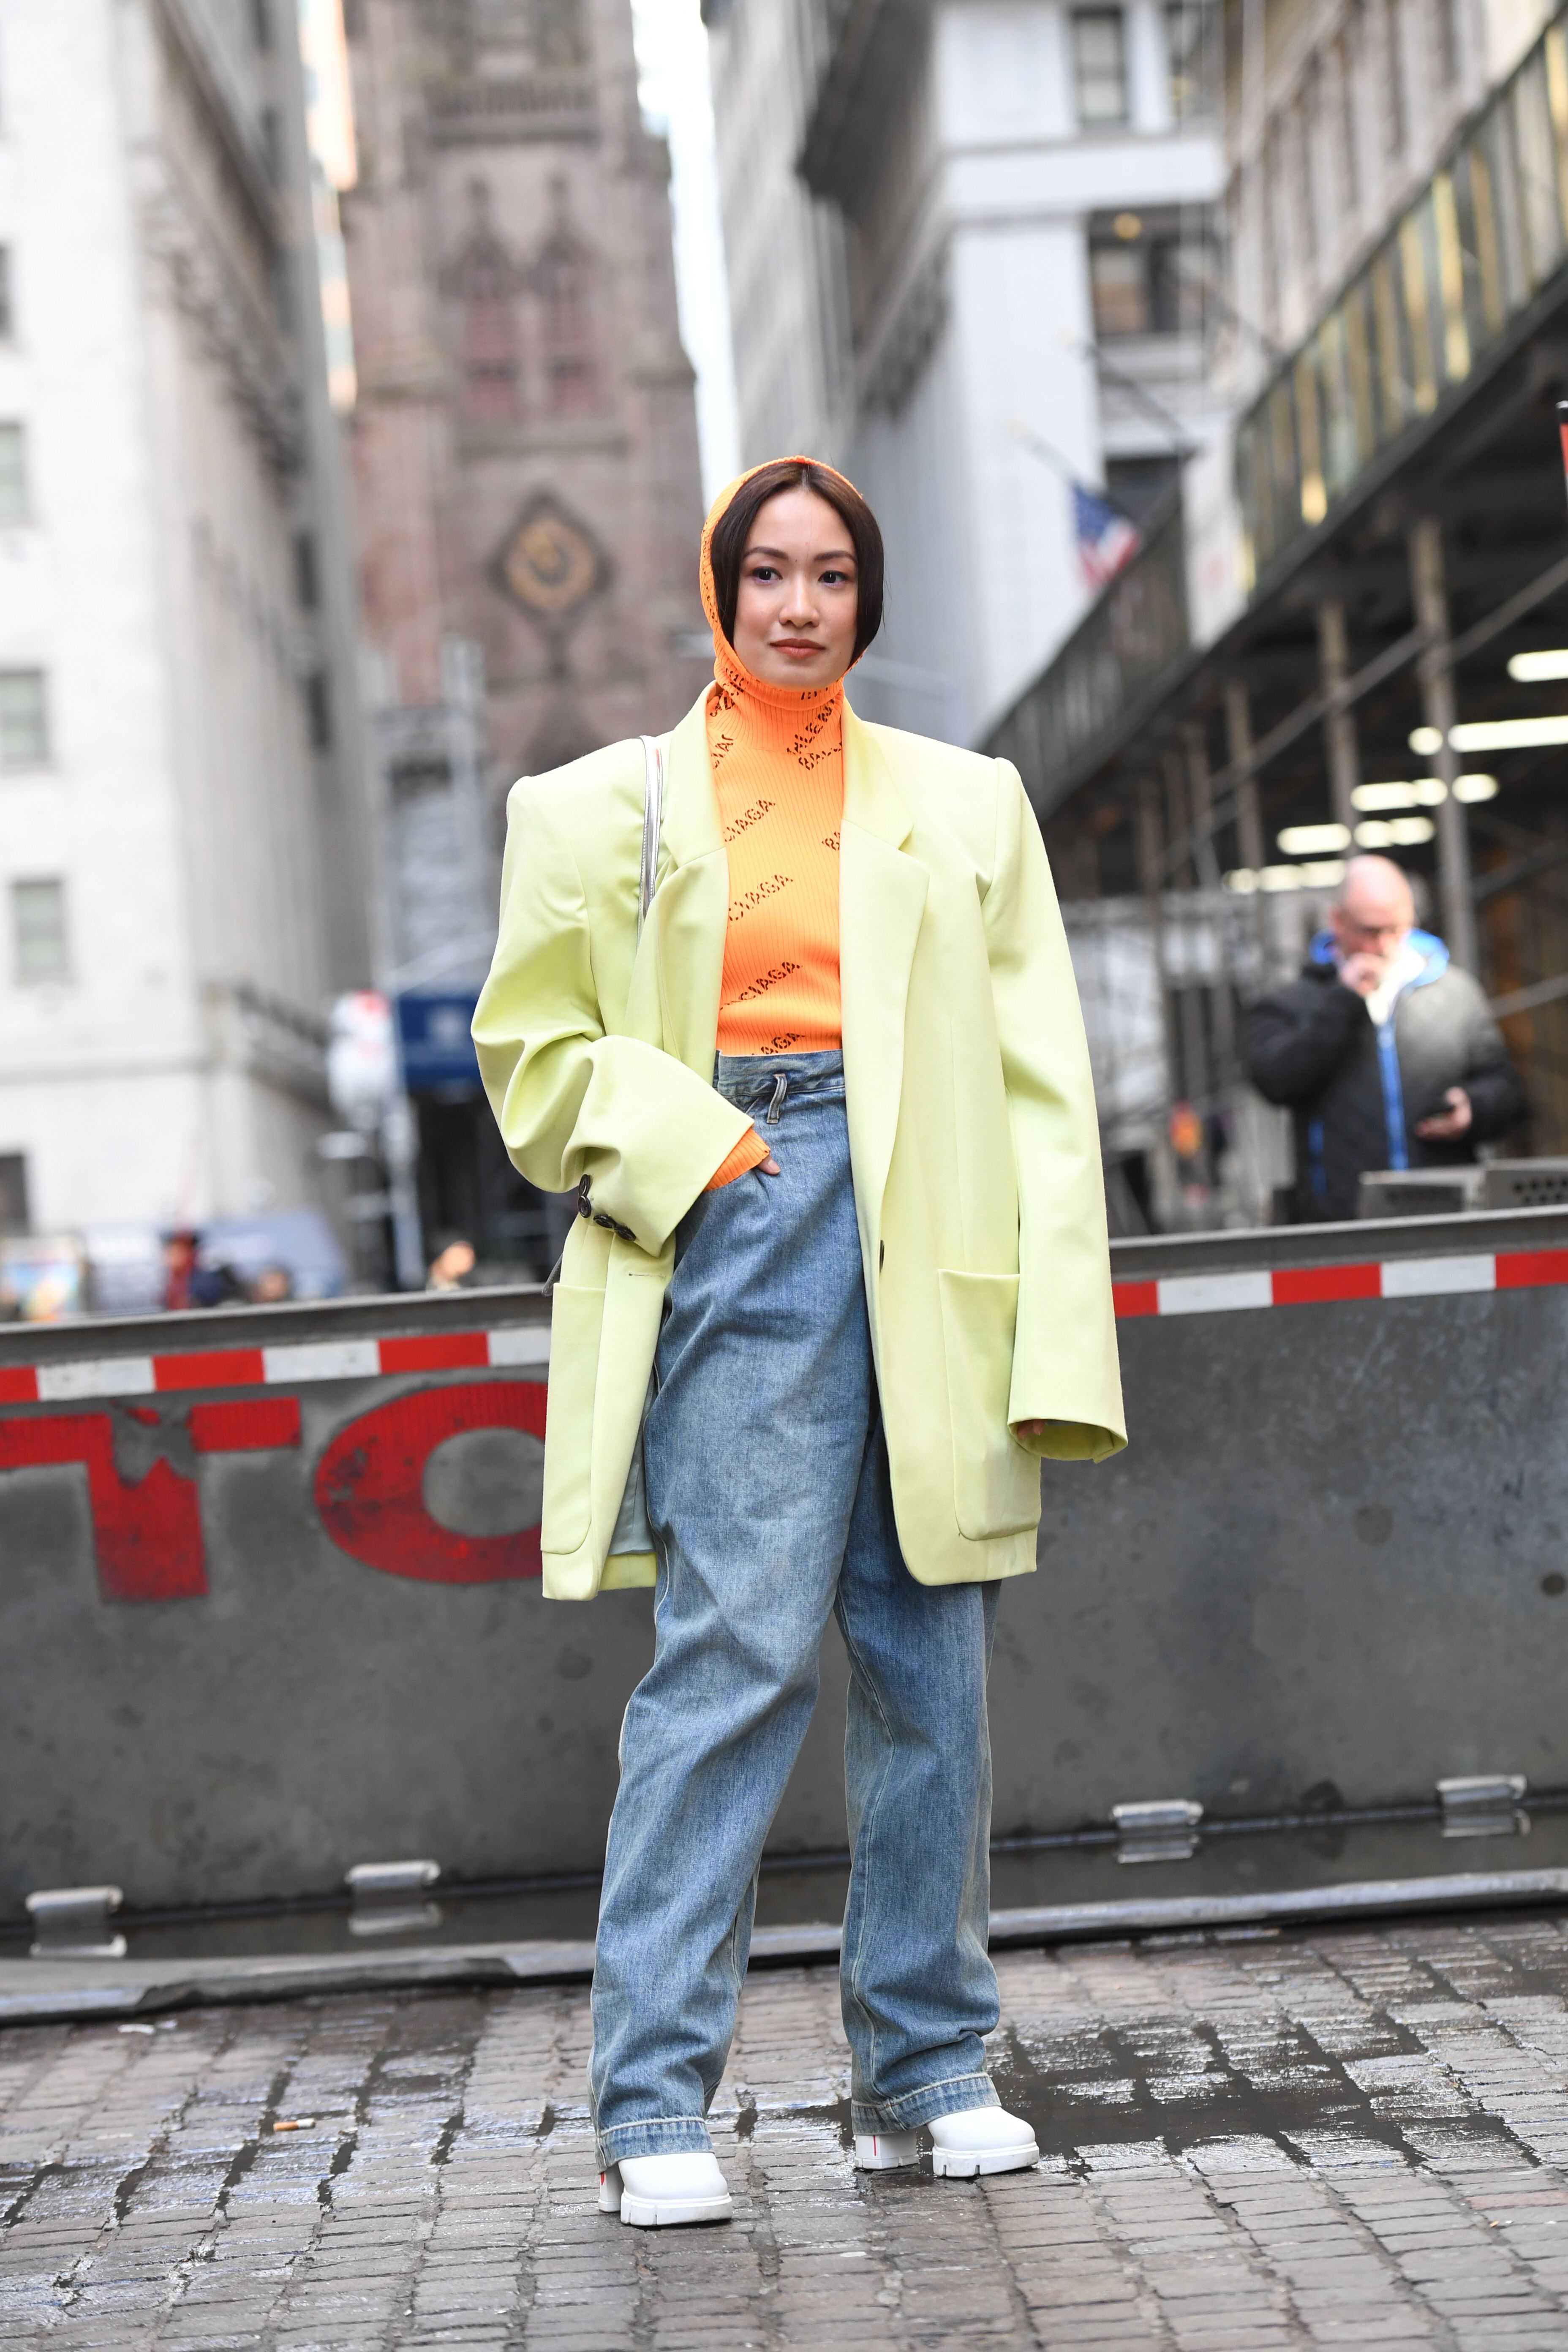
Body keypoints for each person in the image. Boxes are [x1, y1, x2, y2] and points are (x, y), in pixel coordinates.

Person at [473, 457, 1124, 2230]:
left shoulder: (970, 803)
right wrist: (701, 1150)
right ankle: (648, 2102)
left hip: (933, 1226)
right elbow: (530, 1056)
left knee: (929, 1661)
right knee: (734, 1654)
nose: (797, 605)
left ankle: (923, 2072)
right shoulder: (591, 810)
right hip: (737, 1204)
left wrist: (1057, 1342)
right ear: (716, 588)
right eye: (765, 571)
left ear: (865, 597)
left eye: (831, 574)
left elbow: (1044, 1090)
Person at [1245, 853, 1524, 1222]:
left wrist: (1473, 1107)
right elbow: (1274, 1081)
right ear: (1338, 922)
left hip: (1447, 1212)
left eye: (1397, 929)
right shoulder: (1293, 1002)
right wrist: (1343, 1003)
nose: (1386, 945)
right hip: (1343, 1221)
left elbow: (1506, 1089)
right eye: (1370, 931)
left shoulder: (1456, 993)